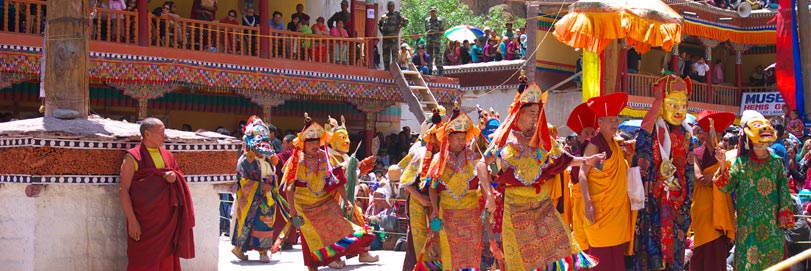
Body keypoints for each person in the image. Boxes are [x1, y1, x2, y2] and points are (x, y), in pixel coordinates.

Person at [476, 82, 603, 270]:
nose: (535, 117)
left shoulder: (541, 138)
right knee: (520, 260)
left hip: (542, 203)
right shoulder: (504, 138)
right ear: (519, 112)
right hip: (516, 206)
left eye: (538, 112)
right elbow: (481, 164)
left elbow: (563, 160)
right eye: (531, 113)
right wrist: (489, 198)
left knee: (559, 250)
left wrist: (587, 160)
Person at [282, 114, 379, 271]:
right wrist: (292, 210)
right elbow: (289, 187)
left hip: (325, 200)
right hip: (303, 204)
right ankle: (313, 265)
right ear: (303, 144)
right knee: (310, 234)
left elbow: (336, 180)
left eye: (316, 142)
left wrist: (346, 201)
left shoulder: (324, 157)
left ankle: (336, 255)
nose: (314, 145)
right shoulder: (295, 161)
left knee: (342, 226)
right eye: (311, 142)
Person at [713, 110, 795, 271]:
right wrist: (723, 164)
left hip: (772, 226)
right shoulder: (740, 163)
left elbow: (784, 192)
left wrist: (784, 217)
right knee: (748, 264)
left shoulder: (776, 163)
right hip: (747, 227)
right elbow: (726, 186)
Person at [634, 74, 696, 271]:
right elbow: (641, 155)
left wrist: (682, 191)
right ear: (661, 105)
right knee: (653, 256)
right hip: (655, 204)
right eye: (673, 104)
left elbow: (689, 172)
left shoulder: (687, 136)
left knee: (675, 256)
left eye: (683, 105)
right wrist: (659, 178)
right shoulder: (653, 132)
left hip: (678, 204)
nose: (679, 111)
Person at [119, 118, 195, 270]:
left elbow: (178, 175)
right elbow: (124, 191)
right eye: (161, 133)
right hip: (144, 222)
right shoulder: (132, 157)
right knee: (141, 261)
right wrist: (132, 221)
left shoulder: (168, 155)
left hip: (167, 222)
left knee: (167, 261)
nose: (165, 136)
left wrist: (174, 177)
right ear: (147, 133)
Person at [578, 93, 635, 270]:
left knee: (616, 260)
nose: (614, 124)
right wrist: (587, 202)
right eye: (610, 120)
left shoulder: (615, 145)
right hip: (600, 213)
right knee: (600, 259)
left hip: (616, 215)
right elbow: (582, 173)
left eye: (616, 120)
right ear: (600, 123)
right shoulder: (595, 144)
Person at [426, 105, 483, 270]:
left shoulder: (474, 158)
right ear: (448, 138)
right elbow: (432, 186)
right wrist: (435, 210)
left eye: (463, 138)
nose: (461, 142)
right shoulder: (439, 159)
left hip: (471, 213)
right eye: (457, 138)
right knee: (449, 253)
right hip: (447, 213)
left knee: (471, 252)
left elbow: (484, 182)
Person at [230, 116, 290, 263]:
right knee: (245, 222)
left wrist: (271, 182)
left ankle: (263, 251)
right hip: (250, 198)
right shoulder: (245, 160)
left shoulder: (267, 160)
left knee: (265, 223)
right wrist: (259, 186)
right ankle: (239, 248)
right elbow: (242, 180)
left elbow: (273, 175)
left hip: (266, 198)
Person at [399, 107, 446, 271]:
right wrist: (421, 199)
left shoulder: (448, 155)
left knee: (441, 246)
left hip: (440, 204)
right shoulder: (420, 153)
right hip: (420, 203)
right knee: (423, 246)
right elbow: (405, 181)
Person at [689, 111, 736, 271]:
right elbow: (699, 178)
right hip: (703, 209)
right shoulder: (696, 153)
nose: (704, 135)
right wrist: (718, 175)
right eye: (703, 131)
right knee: (701, 252)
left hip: (720, 209)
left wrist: (717, 173)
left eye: (709, 131)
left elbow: (728, 181)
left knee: (717, 255)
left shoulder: (723, 156)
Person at [565, 102, 598, 250]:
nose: (590, 137)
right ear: (579, 137)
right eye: (586, 133)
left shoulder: (600, 156)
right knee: (581, 236)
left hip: (597, 201)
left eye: (593, 133)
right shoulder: (575, 158)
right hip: (580, 204)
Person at [379, 1, 409, 69]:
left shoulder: (397, 15)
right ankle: (386, 69)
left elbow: (406, 21)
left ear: (393, 7)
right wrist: (382, 32)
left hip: (394, 38)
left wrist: (400, 27)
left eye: (391, 6)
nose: (390, 7)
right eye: (389, 6)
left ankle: (395, 69)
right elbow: (379, 25)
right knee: (385, 55)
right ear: (387, 7)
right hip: (386, 38)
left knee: (395, 54)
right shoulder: (384, 16)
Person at [424, 7, 444, 75]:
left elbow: (442, 30)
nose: (433, 13)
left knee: (438, 55)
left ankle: (440, 70)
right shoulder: (427, 20)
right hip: (429, 41)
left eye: (434, 11)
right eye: (431, 11)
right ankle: (429, 70)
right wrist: (427, 33)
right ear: (430, 12)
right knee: (429, 55)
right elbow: (425, 30)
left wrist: (436, 32)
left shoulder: (439, 20)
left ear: (436, 12)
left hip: (436, 41)